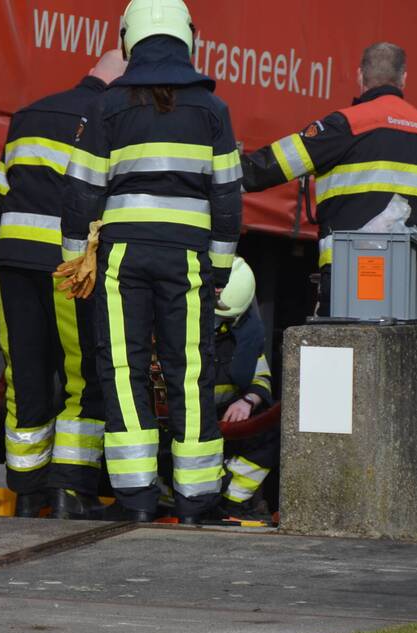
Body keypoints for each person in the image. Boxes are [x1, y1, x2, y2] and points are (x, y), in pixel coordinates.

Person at [60, 0, 242, 523]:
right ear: (189, 39)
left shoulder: (107, 107)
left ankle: (137, 500)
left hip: (122, 257)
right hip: (187, 258)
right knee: (191, 372)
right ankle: (195, 501)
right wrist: (221, 270)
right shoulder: (213, 110)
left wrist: (76, 260)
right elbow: (228, 197)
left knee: (122, 367)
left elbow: (82, 190)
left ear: (127, 41)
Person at [241, 42, 417, 314]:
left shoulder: (345, 125)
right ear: (403, 79)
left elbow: (268, 167)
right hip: (411, 286)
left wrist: (215, 175)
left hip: (347, 276)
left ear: (360, 76)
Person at [0, 50, 127, 519]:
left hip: (13, 261)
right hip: (69, 267)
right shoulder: (109, 116)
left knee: (24, 375)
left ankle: (27, 495)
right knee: (81, 375)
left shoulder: (28, 114)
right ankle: (71, 490)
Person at [211, 258, 278, 521]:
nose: (217, 325)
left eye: (225, 319)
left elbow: (261, 377)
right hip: (182, 419)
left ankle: (232, 499)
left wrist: (248, 401)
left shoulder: (247, 334)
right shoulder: (170, 329)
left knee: (274, 431)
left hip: (226, 417)